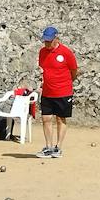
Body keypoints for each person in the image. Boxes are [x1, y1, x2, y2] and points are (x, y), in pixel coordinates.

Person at [36, 26, 77, 159]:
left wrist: (66, 82)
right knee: (46, 118)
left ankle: (58, 148)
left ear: (56, 38)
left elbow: (74, 71)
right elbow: (43, 69)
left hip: (63, 92)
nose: (47, 43)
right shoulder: (42, 52)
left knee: (60, 119)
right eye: (45, 41)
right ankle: (48, 147)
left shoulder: (66, 52)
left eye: (49, 41)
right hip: (47, 91)